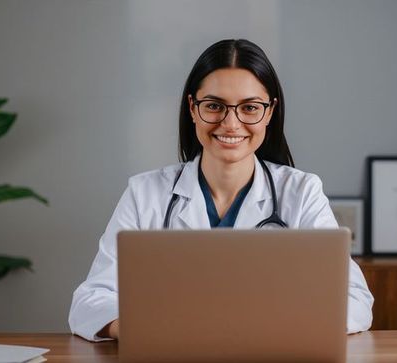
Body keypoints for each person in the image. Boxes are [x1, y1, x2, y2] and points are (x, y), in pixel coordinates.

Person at [68, 39, 374, 341]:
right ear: (192, 107)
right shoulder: (145, 193)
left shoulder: (302, 192)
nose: (231, 123)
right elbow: (90, 300)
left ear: (269, 112)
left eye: (250, 107)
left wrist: (264, 328)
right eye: (214, 106)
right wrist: (147, 330)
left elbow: (355, 300)